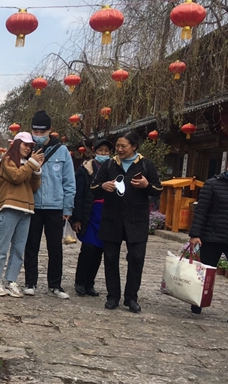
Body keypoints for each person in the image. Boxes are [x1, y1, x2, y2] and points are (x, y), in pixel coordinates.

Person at [91, 130, 162, 313]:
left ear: (134, 147)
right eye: (118, 146)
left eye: (124, 146)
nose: (120, 149)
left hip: (136, 220)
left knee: (136, 258)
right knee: (111, 258)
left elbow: (157, 189)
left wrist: (147, 186)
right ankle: (112, 296)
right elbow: (93, 188)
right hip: (112, 219)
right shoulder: (109, 165)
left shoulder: (145, 165)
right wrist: (103, 186)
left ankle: (131, 297)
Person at [188, 147, 228, 329]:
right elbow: (202, 211)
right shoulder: (213, 184)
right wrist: (195, 234)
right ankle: (197, 302)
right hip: (212, 236)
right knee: (205, 273)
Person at [22, 111, 76, 298]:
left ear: (50, 130)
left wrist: (67, 207)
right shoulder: (26, 149)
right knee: (31, 246)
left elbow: (69, 181)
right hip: (32, 205)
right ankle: (30, 282)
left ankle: (55, 285)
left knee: (55, 247)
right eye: (35, 131)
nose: (38, 134)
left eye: (42, 131)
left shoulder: (61, 151)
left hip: (55, 206)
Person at [0, 132, 44, 297]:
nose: (28, 148)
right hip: (10, 206)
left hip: (26, 209)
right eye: (25, 145)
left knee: (19, 248)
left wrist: (37, 170)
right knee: (1, 246)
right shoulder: (7, 161)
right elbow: (17, 177)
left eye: (30, 146)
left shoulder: (26, 164)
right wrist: (32, 164)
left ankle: (11, 280)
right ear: (17, 144)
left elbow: (34, 186)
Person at [71, 139, 113, 297]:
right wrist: (77, 218)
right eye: (100, 150)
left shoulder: (114, 169)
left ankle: (90, 283)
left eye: (106, 151)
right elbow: (79, 195)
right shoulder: (85, 170)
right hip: (90, 212)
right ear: (95, 151)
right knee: (88, 248)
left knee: (99, 250)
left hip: (106, 213)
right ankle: (80, 281)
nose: (103, 154)